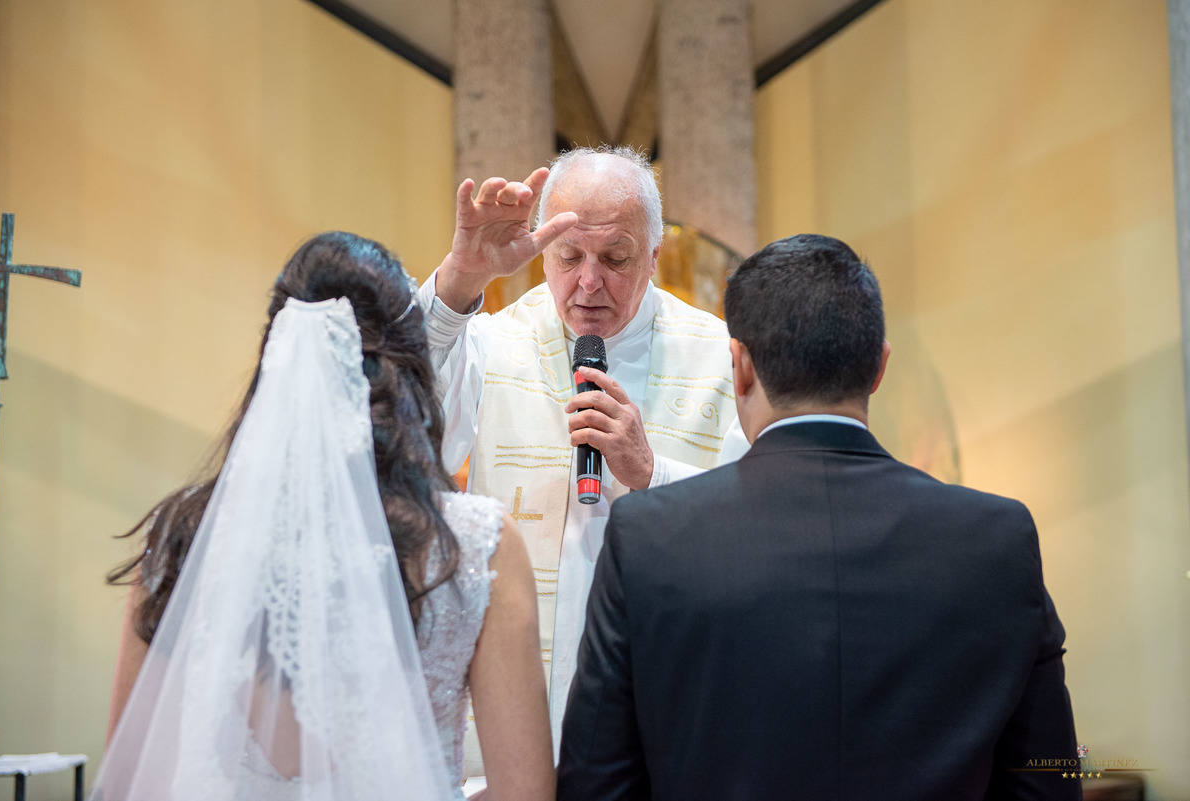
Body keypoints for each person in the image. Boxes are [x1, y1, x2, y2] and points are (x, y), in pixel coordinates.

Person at [557, 234, 1080, 801]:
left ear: (741, 368)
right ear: (879, 366)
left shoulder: (647, 538)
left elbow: (596, 783)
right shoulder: (997, 539)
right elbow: (1048, 781)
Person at [97, 233, 553, 801]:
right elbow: (525, 794)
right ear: (410, 373)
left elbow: (130, 783)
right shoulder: (473, 547)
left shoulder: (182, 540)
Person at [420, 146, 748, 756]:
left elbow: (756, 529)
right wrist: (461, 278)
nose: (589, 282)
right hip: (518, 704)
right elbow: (408, 422)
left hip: (666, 703)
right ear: (543, 252)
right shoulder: (498, 341)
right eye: (569, 257)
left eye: (616, 258)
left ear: (654, 256)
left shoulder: (720, 359)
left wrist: (653, 473)